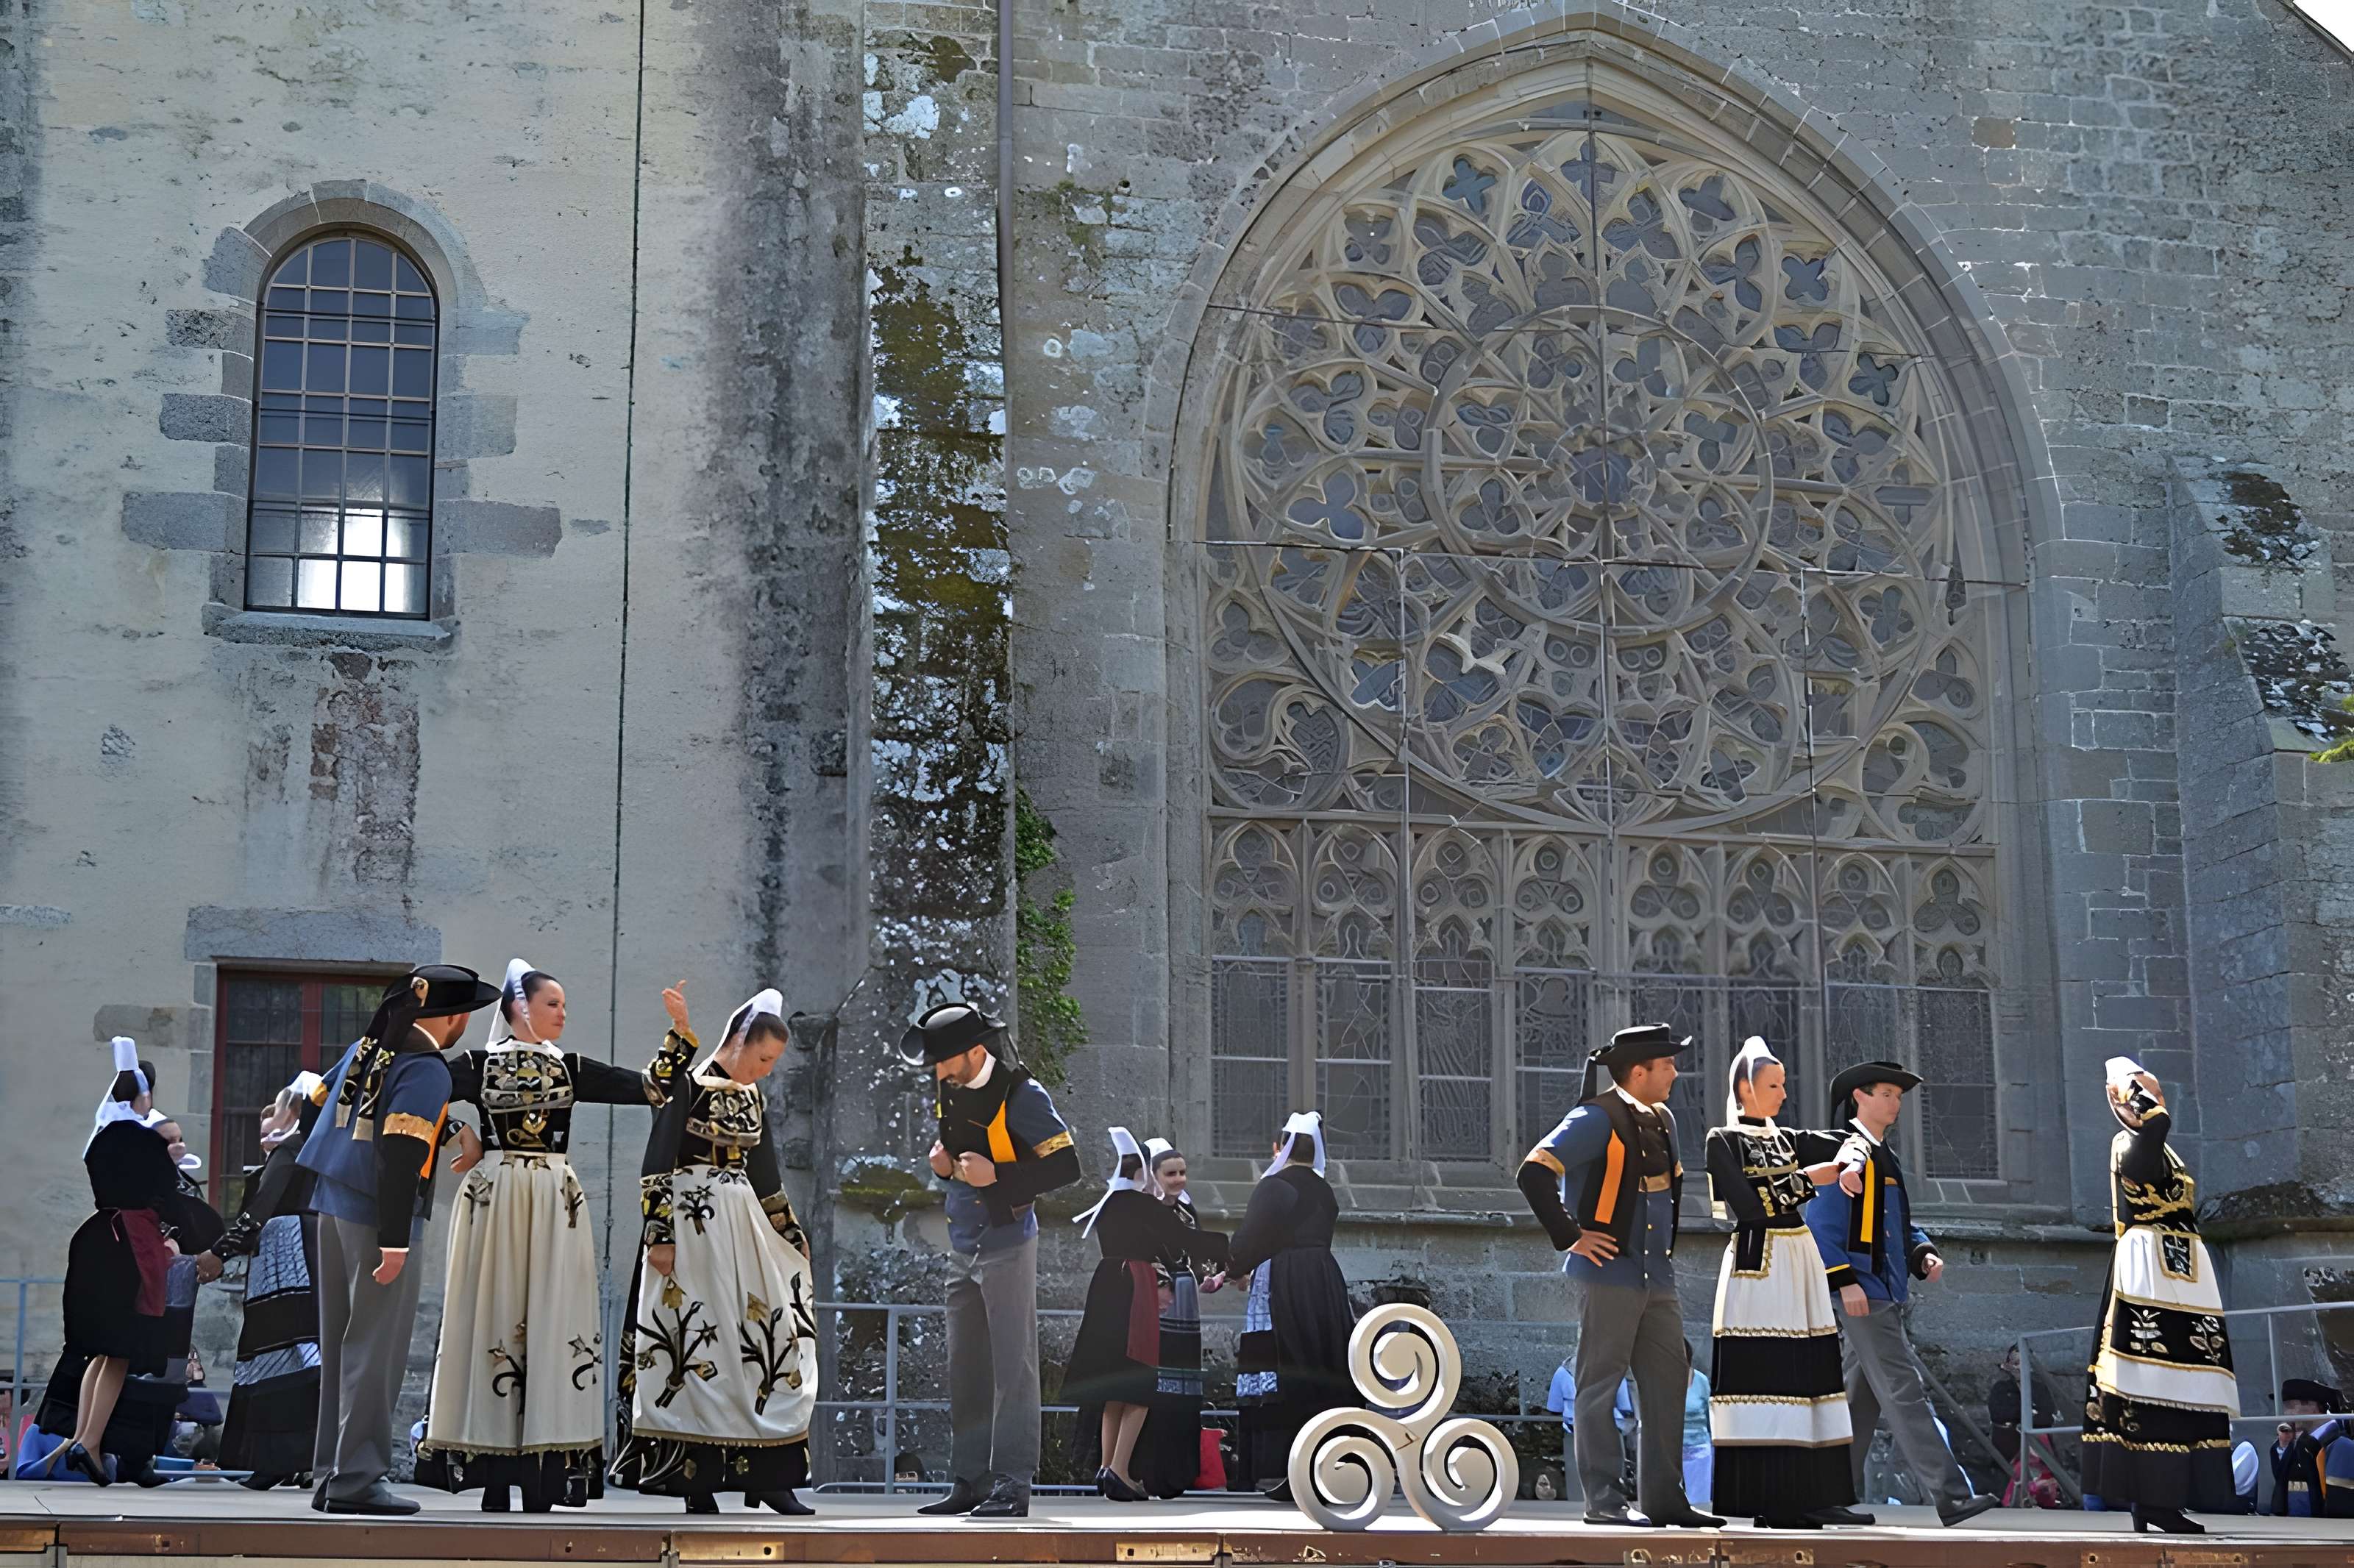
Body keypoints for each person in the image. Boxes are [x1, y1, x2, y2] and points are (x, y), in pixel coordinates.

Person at [419, 958, 695, 1512]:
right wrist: (459, 1134)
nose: (563, 1013)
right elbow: (413, 1092)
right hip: (495, 1198)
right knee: (491, 1317)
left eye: (564, 1005)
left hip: (553, 1202)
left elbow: (650, 1087)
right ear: (520, 1007)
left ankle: (542, 1475)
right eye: (553, 1004)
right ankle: (494, 1474)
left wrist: (680, 1033)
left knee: (553, 1321)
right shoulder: (475, 1064)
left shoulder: (569, 1067)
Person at [297, 963, 502, 1515]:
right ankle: (359, 1480)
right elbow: (402, 1154)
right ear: (453, 1017)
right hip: (377, 1218)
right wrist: (394, 1241)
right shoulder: (426, 1069)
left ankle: (330, 1474)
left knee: (342, 1349)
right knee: (375, 1350)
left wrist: (451, 1125)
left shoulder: (368, 1052)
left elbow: (311, 1107)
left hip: (330, 1204)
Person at [610, 986, 820, 1515]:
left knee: (759, 1343)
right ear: (743, 1042)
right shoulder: (690, 1086)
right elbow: (657, 1159)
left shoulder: (753, 1098)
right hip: (692, 1228)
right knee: (696, 1346)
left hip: (741, 1230)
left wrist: (790, 1233)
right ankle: (692, 1481)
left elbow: (766, 1174)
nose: (767, 1070)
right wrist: (660, 1234)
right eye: (764, 1058)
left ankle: (769, 1476)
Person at [1517, 1024, 1720, 1528]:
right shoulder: (1594, 1118)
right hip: (1608, 1275)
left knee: (1669, 1383)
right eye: (1667, 1064)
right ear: (1638, 1071)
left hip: (1657, 1278)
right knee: (1599, 1387)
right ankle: (1605, 1501)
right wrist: (1571, 1236)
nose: (1675, 1071)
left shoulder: (1664, 1119)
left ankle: (1664, 1499)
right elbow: (1534, 1172)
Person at [900, 999, 1081, 1519]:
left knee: (1014, 1369)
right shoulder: (949, 1086)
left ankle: (1012, 1484)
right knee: (967, 1368)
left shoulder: (1024, 1094)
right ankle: (970, 1479)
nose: (937, 1071)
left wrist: (999, 1178)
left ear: (976, 1052)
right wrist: (941, 1167)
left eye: (944, 1060)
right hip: (962, 1243)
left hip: (1007, 1242)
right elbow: (958, 1155)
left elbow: (1067, 1166)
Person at [1802, 1060, 1998, 1527]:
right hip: (1864, 1294)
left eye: (1898, 1096)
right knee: (1906, 1392)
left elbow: (1895, 1223)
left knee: (1858, 1401)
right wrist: (1843, 1280)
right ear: (1860, 1097)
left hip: (1883, 1289)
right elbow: (1821, 1223)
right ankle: (1952, 1495)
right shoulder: (1844, 1147)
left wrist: (1921, 1252)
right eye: (1886, 1093)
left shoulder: (1880, 1152)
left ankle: (1824, 1496)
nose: (1895, 1103)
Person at [1703, 1038, 1859, 1529]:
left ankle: (1816, 1492)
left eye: (1784, 1084)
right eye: (1774, 1085)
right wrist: (1810, 1180)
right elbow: (1746, 1208)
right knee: (1767, 1372)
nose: (1783, 1094)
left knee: (1812, 1370)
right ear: (1746, 1089)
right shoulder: (1722, 1141)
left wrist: (1851, 1164)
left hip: (1799, 1262)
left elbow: (1848, 1140)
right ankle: (1773, 1497)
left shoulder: (1789, 1137)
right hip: (1758, 1266)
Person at [2080, 1058, 2239, 1533]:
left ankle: (2164, 1499)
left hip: (2183, 1269)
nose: (2155, 1104)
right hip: (2147, 1268)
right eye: (2143, 1095)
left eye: (2155, 1095)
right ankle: (2148, 1498)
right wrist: (2142, 1106)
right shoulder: (2130, 1143)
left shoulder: (2159, 1146)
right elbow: (2147, 1151)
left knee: (2186, 1381)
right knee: (2147, 1377)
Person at [43, 1038, 185, 1486]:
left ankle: (88, 1441)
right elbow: (167, 1197)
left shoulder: (102, 1139)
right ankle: (88, 1441)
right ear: (144, 1095)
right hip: (130, 1244)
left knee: (102, 1350)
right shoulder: (144, 1142)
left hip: (97, 1238)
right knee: (122, 1350)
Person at [1063, 1127, 1199, 1500]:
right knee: (1140, 1385)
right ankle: (1122, 1471)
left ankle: (1107, 1468)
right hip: (1136, 1285)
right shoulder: (1144, 1205)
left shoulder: (1109, 1202)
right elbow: (1173, 1252)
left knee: (1113, 1387)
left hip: (1106, 1284)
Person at [1228, 1110, 1356, 1500]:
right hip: (1323, 1279)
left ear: (1278, 1148)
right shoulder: (1324, 1189)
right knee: (1321, 1362)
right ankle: (1328, 1462)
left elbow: (1252, 1238)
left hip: (1286, 1280)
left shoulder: (1275, 1185)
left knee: (1285, 1364)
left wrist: (1228, 1268)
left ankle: (1282, 1468)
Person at [212, 1072, 325, 1489]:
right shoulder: (311, 1149)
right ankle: (300, 1457)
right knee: (302, 1352)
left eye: (276, 1109)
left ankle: (277, 1459)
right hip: (309, 1251)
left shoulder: (291, 1149)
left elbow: (260, 1208)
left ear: (293, 1112)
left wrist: (218, 1253)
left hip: (286, 1257)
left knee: (280, 1352)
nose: (271, 1117)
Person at [1134, 1138, 1227, 1499]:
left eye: (1182, 1173)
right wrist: (1161, 1283)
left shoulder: (1187, 1213)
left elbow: (1201, 1252)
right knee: (1157, 1385)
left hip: (1186, 1304)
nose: (1178, 1180)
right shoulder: (1143, 1212)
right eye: (1170, 1174)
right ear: (1154, 1176)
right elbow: (1143, 1252)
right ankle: (1150, 1471)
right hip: (1157, 1302)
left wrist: (1212, 1275)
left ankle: (1178, 1472)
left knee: (1184, 1387)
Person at [2269, 1377, 2354, 1518]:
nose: (2287, 1413)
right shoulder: (2297, 1442)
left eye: (2291, 1406)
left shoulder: (2338, 1444)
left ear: (2313, 1407)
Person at [1542, 1355, 1578, 1505]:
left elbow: (1554, 1407)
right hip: (1604, 1430)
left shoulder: (1562, 1373)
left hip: (1573, 1431)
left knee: (1576, 1483)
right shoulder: (1609, 1370)